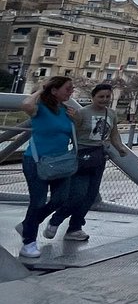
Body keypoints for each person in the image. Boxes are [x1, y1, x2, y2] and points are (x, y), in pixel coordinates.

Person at [45, 82, 130, 242]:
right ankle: (56, 220)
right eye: (101, 96)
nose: (104, 99)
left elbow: (114, 134)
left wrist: (120, 148)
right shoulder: (81, 113)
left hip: (99, 156)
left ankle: (75, 227)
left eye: (107, 96)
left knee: (90, 196)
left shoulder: (111, 114)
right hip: (82, 156)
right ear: (93, 97)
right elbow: (72, 133)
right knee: (78, 195)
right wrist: (73, 121)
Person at [15, 76, 77, 259]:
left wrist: (76, 120)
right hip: (37, 161)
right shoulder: (40, 108)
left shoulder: (65, 110)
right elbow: (25, 105)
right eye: (67, 89)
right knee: (38, 201)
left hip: (61, 162)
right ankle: (29, 242)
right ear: (54, 90)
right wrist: (42, 89)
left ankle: (28, 224)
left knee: (61, 198)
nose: (71, 92)